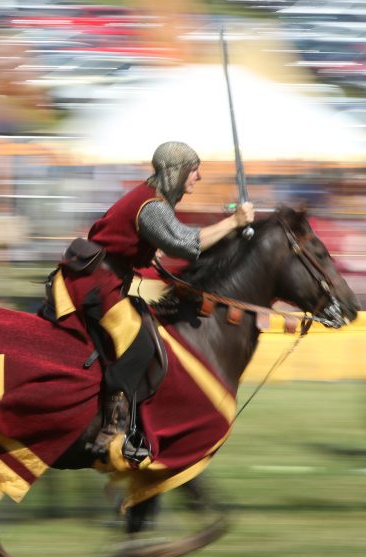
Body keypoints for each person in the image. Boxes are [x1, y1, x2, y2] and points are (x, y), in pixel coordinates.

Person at [41, 141, 254, 466]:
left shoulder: (152, 200)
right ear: (176, 172)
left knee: (154, 320)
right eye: (193, 170)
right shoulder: (151, 206)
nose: (198, 177)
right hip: (96, 283)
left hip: (107, 277)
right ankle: (112, 428)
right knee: (139, 343)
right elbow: (186, 244)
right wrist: (234, 222)